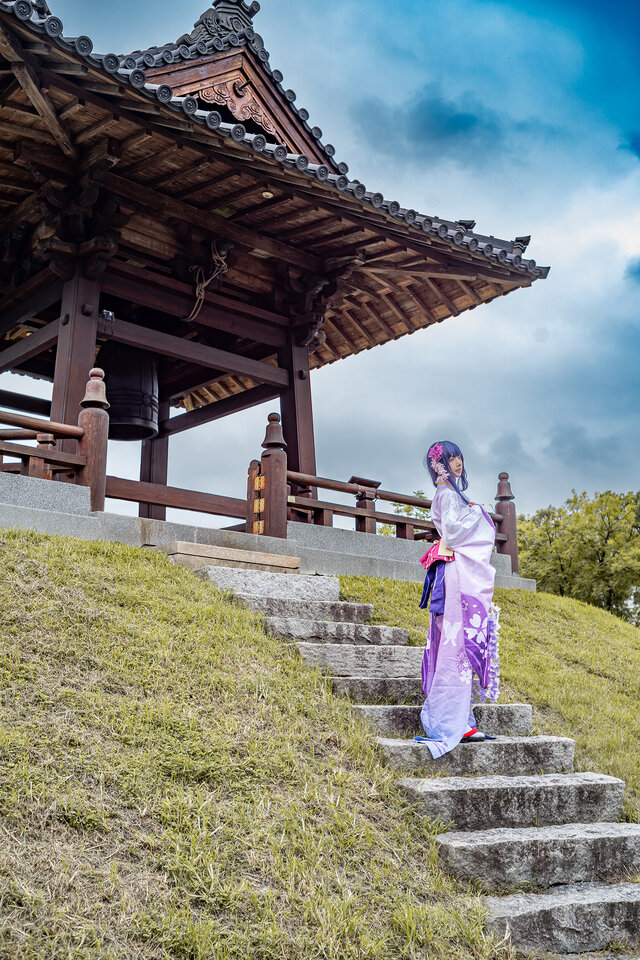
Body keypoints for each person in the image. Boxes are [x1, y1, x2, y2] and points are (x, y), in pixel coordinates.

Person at [415, 441, 500, 758]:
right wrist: (477, 512)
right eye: (451, 458)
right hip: (456, 575)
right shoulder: (448, 494)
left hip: (456, 573)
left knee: (457, 646)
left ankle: (458, 718)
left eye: (459, 456)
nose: (458, 462)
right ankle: (453, 721)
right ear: (439, 465)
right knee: (456, 645)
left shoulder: (448, 494)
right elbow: (450, 533)